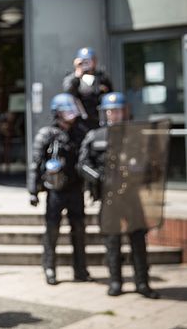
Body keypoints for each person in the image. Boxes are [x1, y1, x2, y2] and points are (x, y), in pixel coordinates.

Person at [78, 92, 159, 298]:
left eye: (118, 110)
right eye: (111, 111)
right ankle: (115, 282)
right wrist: (98, 177)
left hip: (132, 197)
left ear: (126, 111)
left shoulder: (138, 136)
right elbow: (82, 164)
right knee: (112, 242)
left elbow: (153, 164)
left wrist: (141, 173)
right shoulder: (95, 136)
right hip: (109, 198)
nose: (115, 114)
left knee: (138, 241)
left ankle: (143, 283)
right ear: (105, 113)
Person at [28, 93, 91, 286]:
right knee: (52, 230)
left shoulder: (80, 133)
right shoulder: (47, 134)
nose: (71, 115)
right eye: (66, 111)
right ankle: (49, 268)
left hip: (75, 189)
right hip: (55, 191)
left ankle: (80, 270)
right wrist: (33, 189)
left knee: (79, 230)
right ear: (58, 113)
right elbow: (35, 163)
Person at [63, 47, 113, 131]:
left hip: (99, 118)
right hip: (81, 120)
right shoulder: (73, 77)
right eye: (83, 61)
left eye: (89, 60)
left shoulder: (102, 78)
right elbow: (68, 92)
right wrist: (77, 75)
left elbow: (110, 95)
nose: (86, 64)